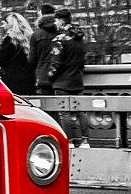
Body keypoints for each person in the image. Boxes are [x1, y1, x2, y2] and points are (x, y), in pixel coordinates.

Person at [48, 8, 88, 147]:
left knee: (64, 113)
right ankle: (85, 141)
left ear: (60, 21)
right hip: (77, 78)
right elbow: (83, 60)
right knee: (81, 111)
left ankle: (69, 142)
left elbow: (57, 63)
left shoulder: (59, 40)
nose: (55, 23)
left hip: (62, 81)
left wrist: (50, 75)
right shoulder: (80, 38)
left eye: (55, 20)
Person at [0, 11, 37, 96]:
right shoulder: (30, 38)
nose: (3, 26)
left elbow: (2, 60)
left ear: (10, 25)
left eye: (4, 24)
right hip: (29, 77)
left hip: (13, 78)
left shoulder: (9, 40)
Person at [30, 10, 59, 96]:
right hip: (61, 75)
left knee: (47, 103)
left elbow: (32, 59)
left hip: (43, 74)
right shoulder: (61, 33)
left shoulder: (36, 35)